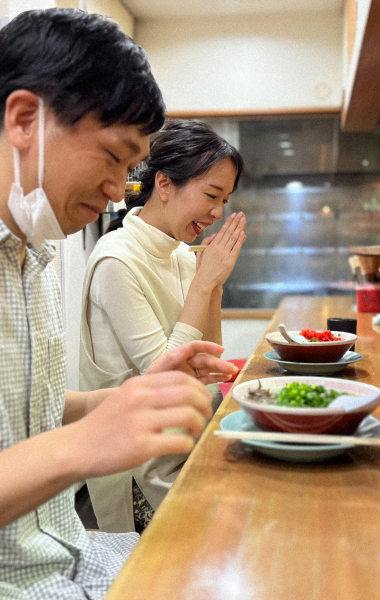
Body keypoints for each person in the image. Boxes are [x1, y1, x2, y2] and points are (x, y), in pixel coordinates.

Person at [0, 9, 238, 598]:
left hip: (66, 557)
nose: (118, 190)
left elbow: (24, 409)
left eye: (131, 168)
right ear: (25, 119)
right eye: (113, 157)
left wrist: (122, 402)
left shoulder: (31, 256)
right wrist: (80, 447)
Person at [80, 120, 246, 533]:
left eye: (224, 200)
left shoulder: (181, 255)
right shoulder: (116, 260)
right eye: (211, 195)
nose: (217, 212)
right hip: (138, 469)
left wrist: (214, 288)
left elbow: (209, 371)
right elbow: (166, 377)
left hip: (185, 445)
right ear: (165, 184)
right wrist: (204, 283)